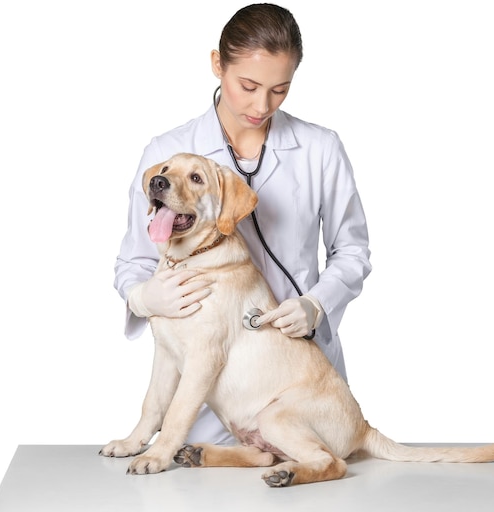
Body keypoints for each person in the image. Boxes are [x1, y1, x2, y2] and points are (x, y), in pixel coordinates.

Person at [114, 3, 372, 445]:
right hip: (208, 398)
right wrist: (143, 296)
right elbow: (136, 259)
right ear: (218, 64)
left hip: (290, 376)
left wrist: (316, 304)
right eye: (248, 85)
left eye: (280, 90)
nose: (261, 105)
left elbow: (352, 251)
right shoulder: (170, 150)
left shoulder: (319, 149)